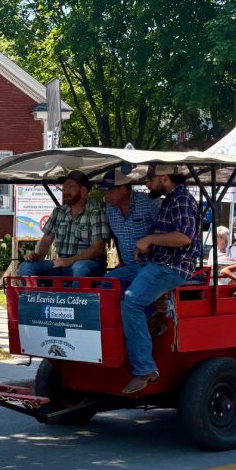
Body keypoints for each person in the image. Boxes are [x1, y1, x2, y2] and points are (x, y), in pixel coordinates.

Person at [119, 165, 202, 394]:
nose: (147, 183)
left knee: (131, 302)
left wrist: (149, 240)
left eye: (150, 179)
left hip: (172, 268)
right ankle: (152, 319)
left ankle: (144, 368)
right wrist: (149, 246)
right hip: (156, 264)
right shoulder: (171, 200)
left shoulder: (182, 200)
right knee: (109, 281)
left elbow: (184, 237)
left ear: (164, 178)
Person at [19, 171, 109, 278]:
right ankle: (35, 295)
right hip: (61, 264)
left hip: (89, 264)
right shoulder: (58, 211)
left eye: (70, 187)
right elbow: (46, 241)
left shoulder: (96, 213)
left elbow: (98, 248)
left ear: (84, 191)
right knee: (26, 267)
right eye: (64, 187)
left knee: (80, 267)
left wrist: (71, 260)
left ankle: (76, 295)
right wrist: (37, 255)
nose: (65, 191)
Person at [100, 168, 158, 279]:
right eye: (105, 192)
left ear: (125, 188)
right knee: (106, 283)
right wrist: (121, 262)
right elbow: (116, 238)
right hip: (129, 266)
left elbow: (164, 230)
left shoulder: (149, 202)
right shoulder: (109, 209)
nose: (107, 196)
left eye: (111, 191)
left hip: (152, 265)